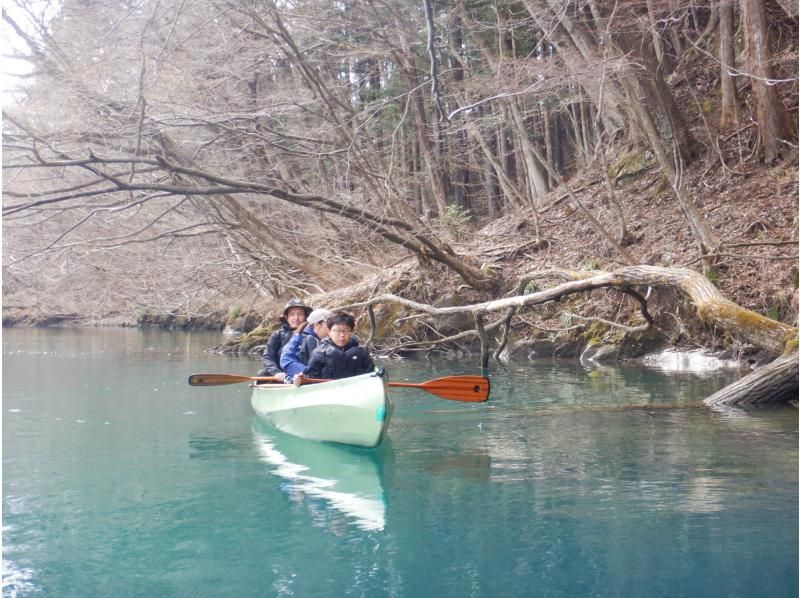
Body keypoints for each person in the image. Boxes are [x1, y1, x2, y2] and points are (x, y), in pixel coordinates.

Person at [294, 312, 375, 385]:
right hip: (329, 392)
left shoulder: (361, 352)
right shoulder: (319, 353)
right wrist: (299, 380)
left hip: (356, 390)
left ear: (351, 332)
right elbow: (308, 378)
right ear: (329, 332)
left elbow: (371, 374)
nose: (342, 335)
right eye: (337, 331)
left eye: (346, 331)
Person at [256, 299, 312, 380]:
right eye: (292, 315)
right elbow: (268, 357)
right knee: (262, 373)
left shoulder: (311, 333)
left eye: (300, 314)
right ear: (286, 317)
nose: (296, 318)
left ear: (305, 316)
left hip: (303, 374)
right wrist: (276, 372)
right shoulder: (277, 335)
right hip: (281, 376)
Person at [279, 308, 333, 381]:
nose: (332, 328)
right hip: (296, 369)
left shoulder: (330, 336)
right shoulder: (304, 338)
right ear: (317, 324)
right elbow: (286, 361)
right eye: (329, 324)